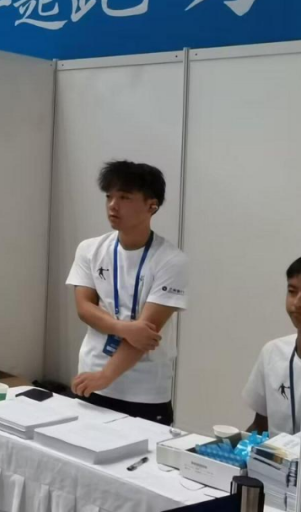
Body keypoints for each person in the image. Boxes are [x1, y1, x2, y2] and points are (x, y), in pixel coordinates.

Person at [67, 161, 188, 424]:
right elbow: (84, 309)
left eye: (124, 197)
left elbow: (146, 332)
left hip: (144, 391)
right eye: (109, 196)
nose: (113, 205)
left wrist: (106, 376)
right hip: (91, 377)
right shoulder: (89, 249)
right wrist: (124, 328)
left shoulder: (171, 260)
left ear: (151, 206)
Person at [244, 256, 301, 435]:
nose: (298, 303)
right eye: (292, 291)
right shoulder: (272, 353)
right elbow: (260, 426)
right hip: (276, 453)